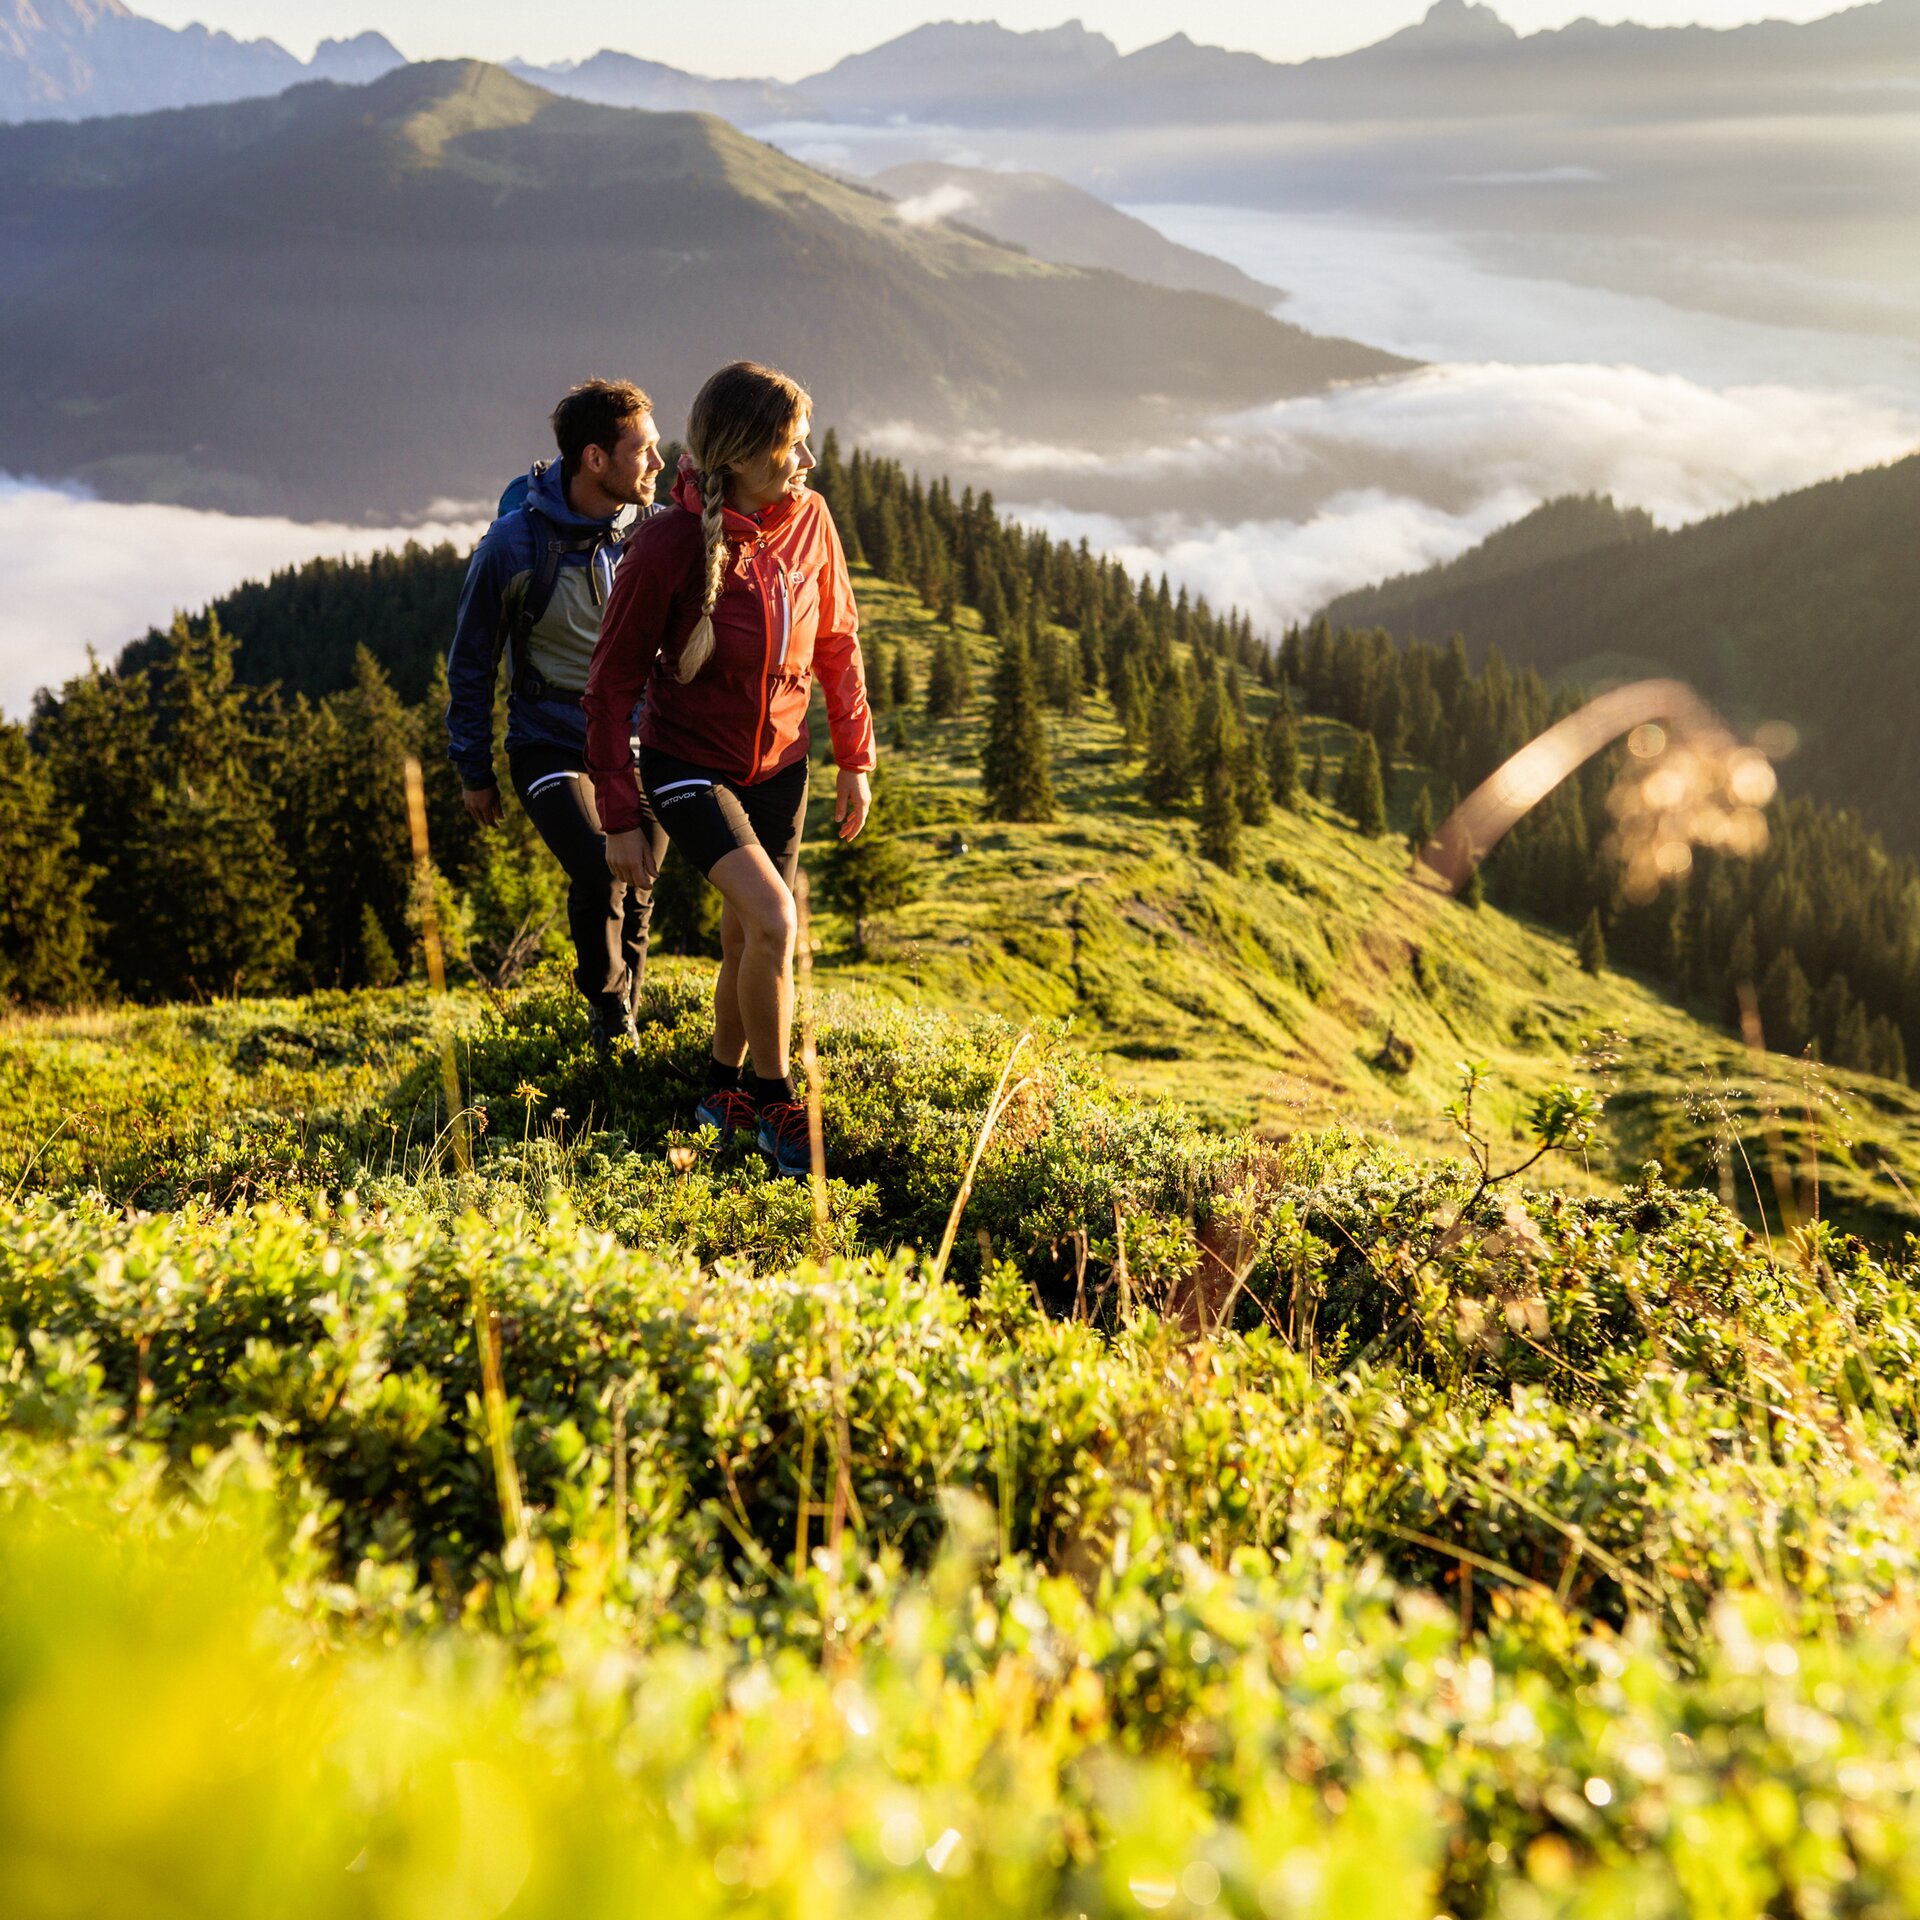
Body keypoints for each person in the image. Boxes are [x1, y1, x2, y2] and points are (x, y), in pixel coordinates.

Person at [585, 361, 875, 1177]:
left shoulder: (810, 520)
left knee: (750, 933)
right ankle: (778, 1100)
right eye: (793, 447)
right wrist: (617, 813)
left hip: (783, 765)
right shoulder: (668, 544)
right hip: (687, 767)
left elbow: (837, 643)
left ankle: (720, 1091)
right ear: (744, 454)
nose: (808, 463)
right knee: (778, 921)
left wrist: (856, 757)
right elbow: (607, 687)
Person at [445, 379, 669, 1055]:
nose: (657, 463)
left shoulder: (650, 534)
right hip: (551, 741)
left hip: (637, 740)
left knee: (641, 882)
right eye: (644, 450)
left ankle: (626, 1006)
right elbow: (472, 659)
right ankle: (606, 1011)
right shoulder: (513, 547)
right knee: (602, 864)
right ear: (595, 459)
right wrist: (473, 767)